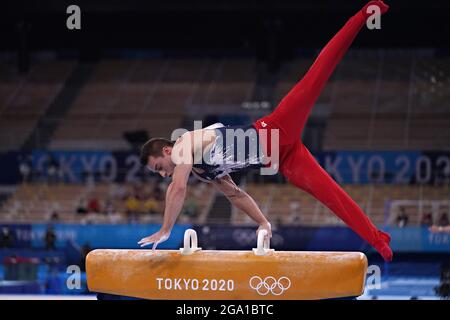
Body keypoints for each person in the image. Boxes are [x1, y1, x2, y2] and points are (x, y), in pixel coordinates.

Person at [138, 1, 393, 262]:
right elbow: (236, 195)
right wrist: (263, 222)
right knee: (331, 195)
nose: (161, 173)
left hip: (277, 128)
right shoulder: (202, 172)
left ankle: (362, 16)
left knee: (318, 74)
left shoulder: (184, 145)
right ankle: (378, 239)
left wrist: (165, 230)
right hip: (283, 159)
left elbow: (177, 187)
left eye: (159, 166)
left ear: (167, 150)